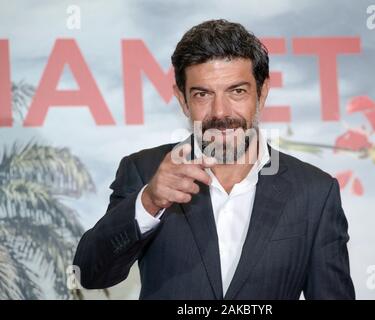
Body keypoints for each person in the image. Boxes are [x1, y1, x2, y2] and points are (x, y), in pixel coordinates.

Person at [73, 19, 355, 300]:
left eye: (237, 91)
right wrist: (149, 201)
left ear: (262, 92)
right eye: (203, 94)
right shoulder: (144, 171)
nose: (220, 112)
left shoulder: (315, 192)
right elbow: (90, 274)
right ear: (183, 100)